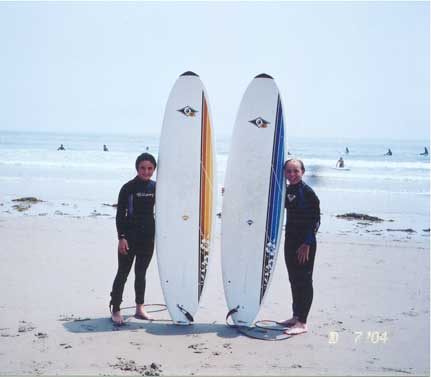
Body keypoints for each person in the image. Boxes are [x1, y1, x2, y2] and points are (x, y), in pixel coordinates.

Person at [109, 152, 157, 325]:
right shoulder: (128, 188)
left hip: (148, 238)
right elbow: (120, 215)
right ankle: (115, 308)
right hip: (129, 238)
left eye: (150, 168)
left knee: (141, 274)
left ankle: (140, 307)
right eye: (143, 168)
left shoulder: (156, 188)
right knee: (123, 273)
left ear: (154, 169)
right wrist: (121, 238)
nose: (146, 171)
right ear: (137, 168)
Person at [279, 159, 320, 335]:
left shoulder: (308, 193)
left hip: (305, 244)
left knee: (304, 281)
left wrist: (307, 244)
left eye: (296, 171)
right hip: (290, 241)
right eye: (288, 171)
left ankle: (302, 323)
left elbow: (316, 221)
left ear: (303, 172)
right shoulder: (287, 191)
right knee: (294, 279)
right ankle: (296, 316)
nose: (292, 175)